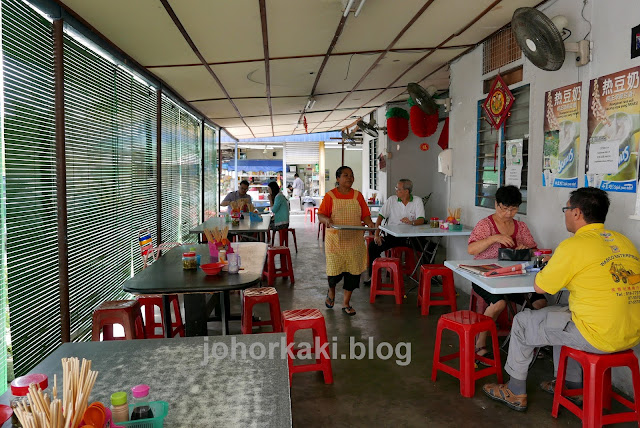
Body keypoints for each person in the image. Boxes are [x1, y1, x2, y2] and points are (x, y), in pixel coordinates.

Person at [482, 187, 640, 412]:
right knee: (560, 314)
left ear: (576, 213)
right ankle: (570, 386)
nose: (565, 214)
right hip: (632, 333)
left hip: (599, 336)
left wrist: (553, 264)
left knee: (523, 322)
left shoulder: (574, 245)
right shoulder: (623, 241)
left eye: (566, 209)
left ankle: (515, 391)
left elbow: (540, 286)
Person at [467, 185, 546, 362]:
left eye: (513, 209)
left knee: (540, 302)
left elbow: (534, 250)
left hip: (516, 277)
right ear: (496, 205)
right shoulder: (485, 225)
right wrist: (493, 238)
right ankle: (480, 342)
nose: (509, 213)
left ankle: (530, 342)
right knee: (499, 303)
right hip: (486, 278)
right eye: (505, 208)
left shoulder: (521, 226)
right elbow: (471, 249)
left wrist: (526, 249)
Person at [318, 166, 375, 316]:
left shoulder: (358, 196)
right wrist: (326, 220)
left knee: (353, 272)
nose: (349, 178)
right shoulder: (330, 196)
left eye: (351, 175)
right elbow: (321, 215)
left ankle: (346, 303)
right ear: (338, 179)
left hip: (354, 240)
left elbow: (365, 215)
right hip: (335, 241)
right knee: (334, 271)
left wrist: (370, 224)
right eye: (345, 175)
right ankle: (331, 292)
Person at [364, 179, 425, 286]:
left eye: (398, 189)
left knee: (428, 248)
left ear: (406, 191)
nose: (396, 190)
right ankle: (373, 277)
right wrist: (377, 234)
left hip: (410, 237)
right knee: (373, 246)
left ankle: (427, 279)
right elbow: (380, 217)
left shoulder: (417, 201)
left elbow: (421, 220)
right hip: (392, 236)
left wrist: (411, 222)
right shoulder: (392, 200)